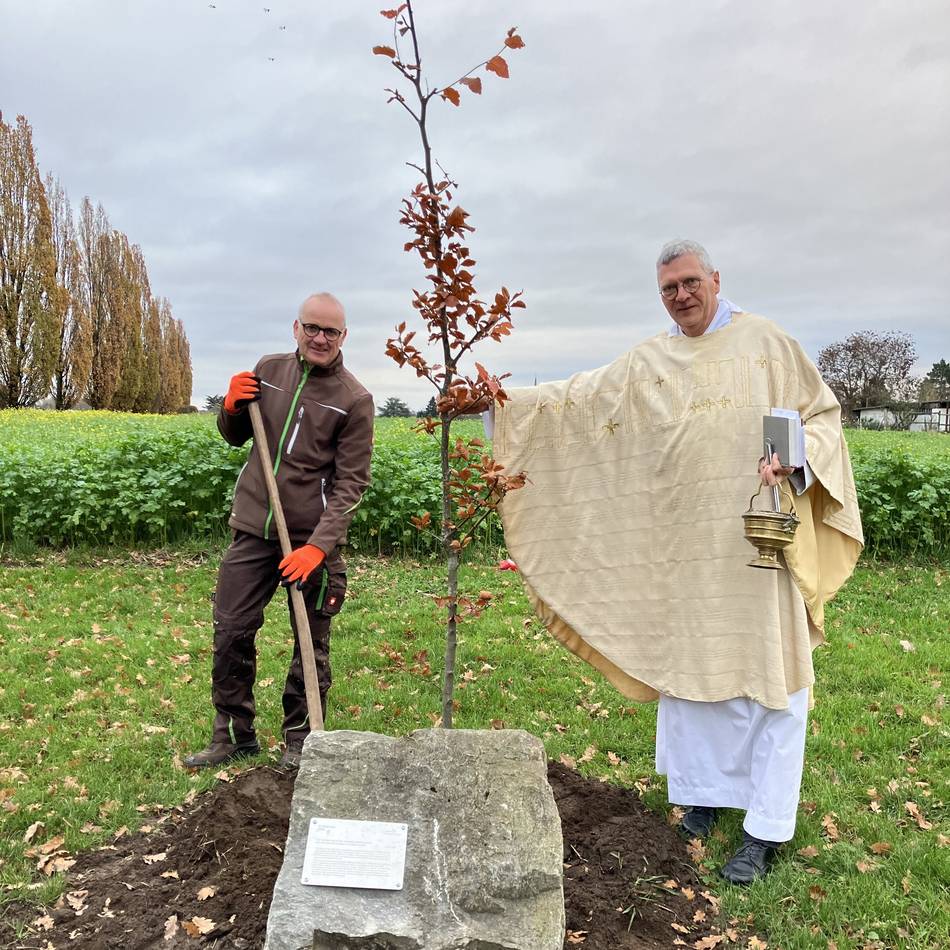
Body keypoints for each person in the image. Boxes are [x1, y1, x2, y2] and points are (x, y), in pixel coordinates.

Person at [491, 240, 863, 884]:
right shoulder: (651, 361)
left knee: (772, 681)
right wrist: (494, 400)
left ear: (716, 280)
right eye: (669, 288)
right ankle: (706, 796)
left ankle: (764, 828)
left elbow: (823, 419)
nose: (682, 296)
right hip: (685, 551)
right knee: (689, 672)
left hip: (759, 544)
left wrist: (796, 457)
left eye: (691, 282)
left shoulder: (768, 345)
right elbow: (580, 400)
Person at [184, 292, 374, 771]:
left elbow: (352, 484)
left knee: (310, 643)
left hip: (312, 542)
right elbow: (236, 434)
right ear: (296, 328)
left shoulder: (354, 399)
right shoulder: (268, 371)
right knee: (231, 632)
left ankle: (302, 742)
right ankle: (233, 736)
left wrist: (318, 548)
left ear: (343, 337)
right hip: (253, 529)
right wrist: (229, 407)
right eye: (312, 327)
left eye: (330, 331)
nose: (320, 338)